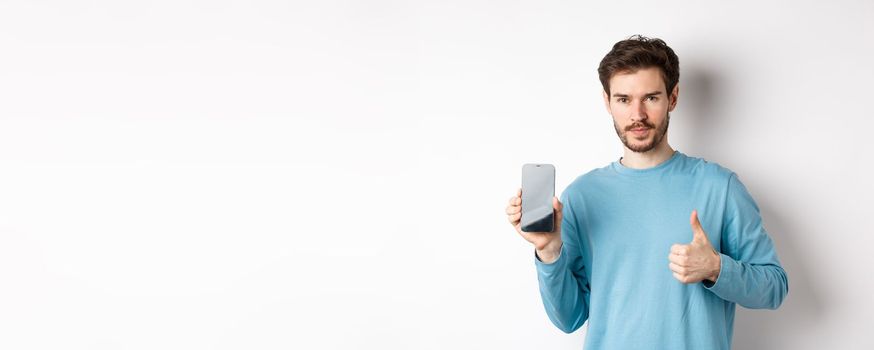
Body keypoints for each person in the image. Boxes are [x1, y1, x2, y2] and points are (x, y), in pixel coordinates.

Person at [504, 35, 788, 349]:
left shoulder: (719, 187)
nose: (637, 114)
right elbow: (568, 318)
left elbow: (774, 288)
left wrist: (716, 268)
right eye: (624, 99)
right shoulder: (582, 195)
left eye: (651, 98)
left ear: (673, 97)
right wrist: (548, 250)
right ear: (607, 102)